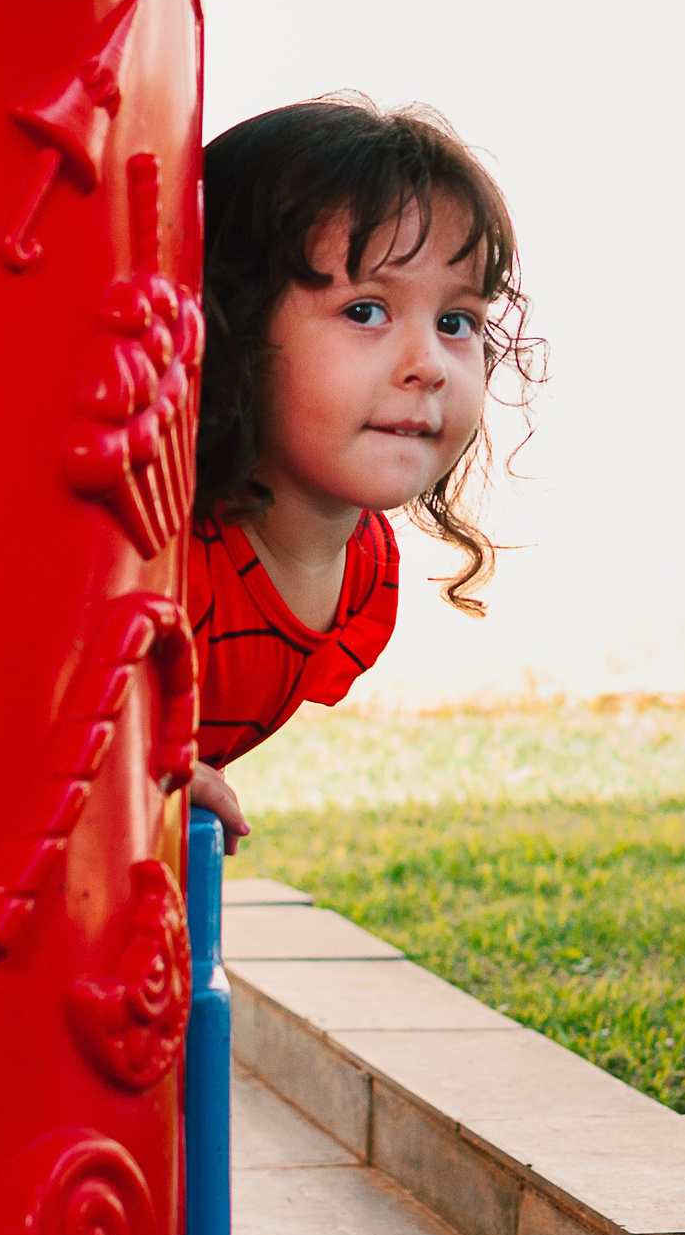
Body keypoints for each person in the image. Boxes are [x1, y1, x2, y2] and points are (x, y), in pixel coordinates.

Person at [183, 94, 534, 852]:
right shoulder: (167, 565)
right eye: (366, 311)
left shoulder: (366, 572)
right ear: (231, 327)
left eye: (456, 321)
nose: (429, 366)